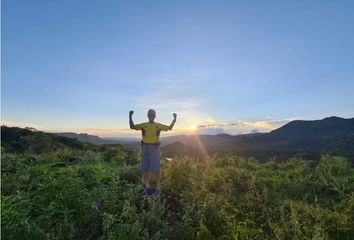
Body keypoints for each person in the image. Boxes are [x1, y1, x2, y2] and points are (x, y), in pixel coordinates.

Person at [129, 109, 177, 197]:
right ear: (148, 115)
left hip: (155, 148)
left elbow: (169, 128)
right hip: (145, 147)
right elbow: (132, 127)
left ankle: (158, 187)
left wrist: (174, 119)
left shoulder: (158, 125)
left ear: (155, 116)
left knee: (157, 168)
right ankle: (147, 186)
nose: (151, 116)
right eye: (150, 114)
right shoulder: (144, 125)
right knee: (145, 168)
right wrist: (130, 117)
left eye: (153, 114)